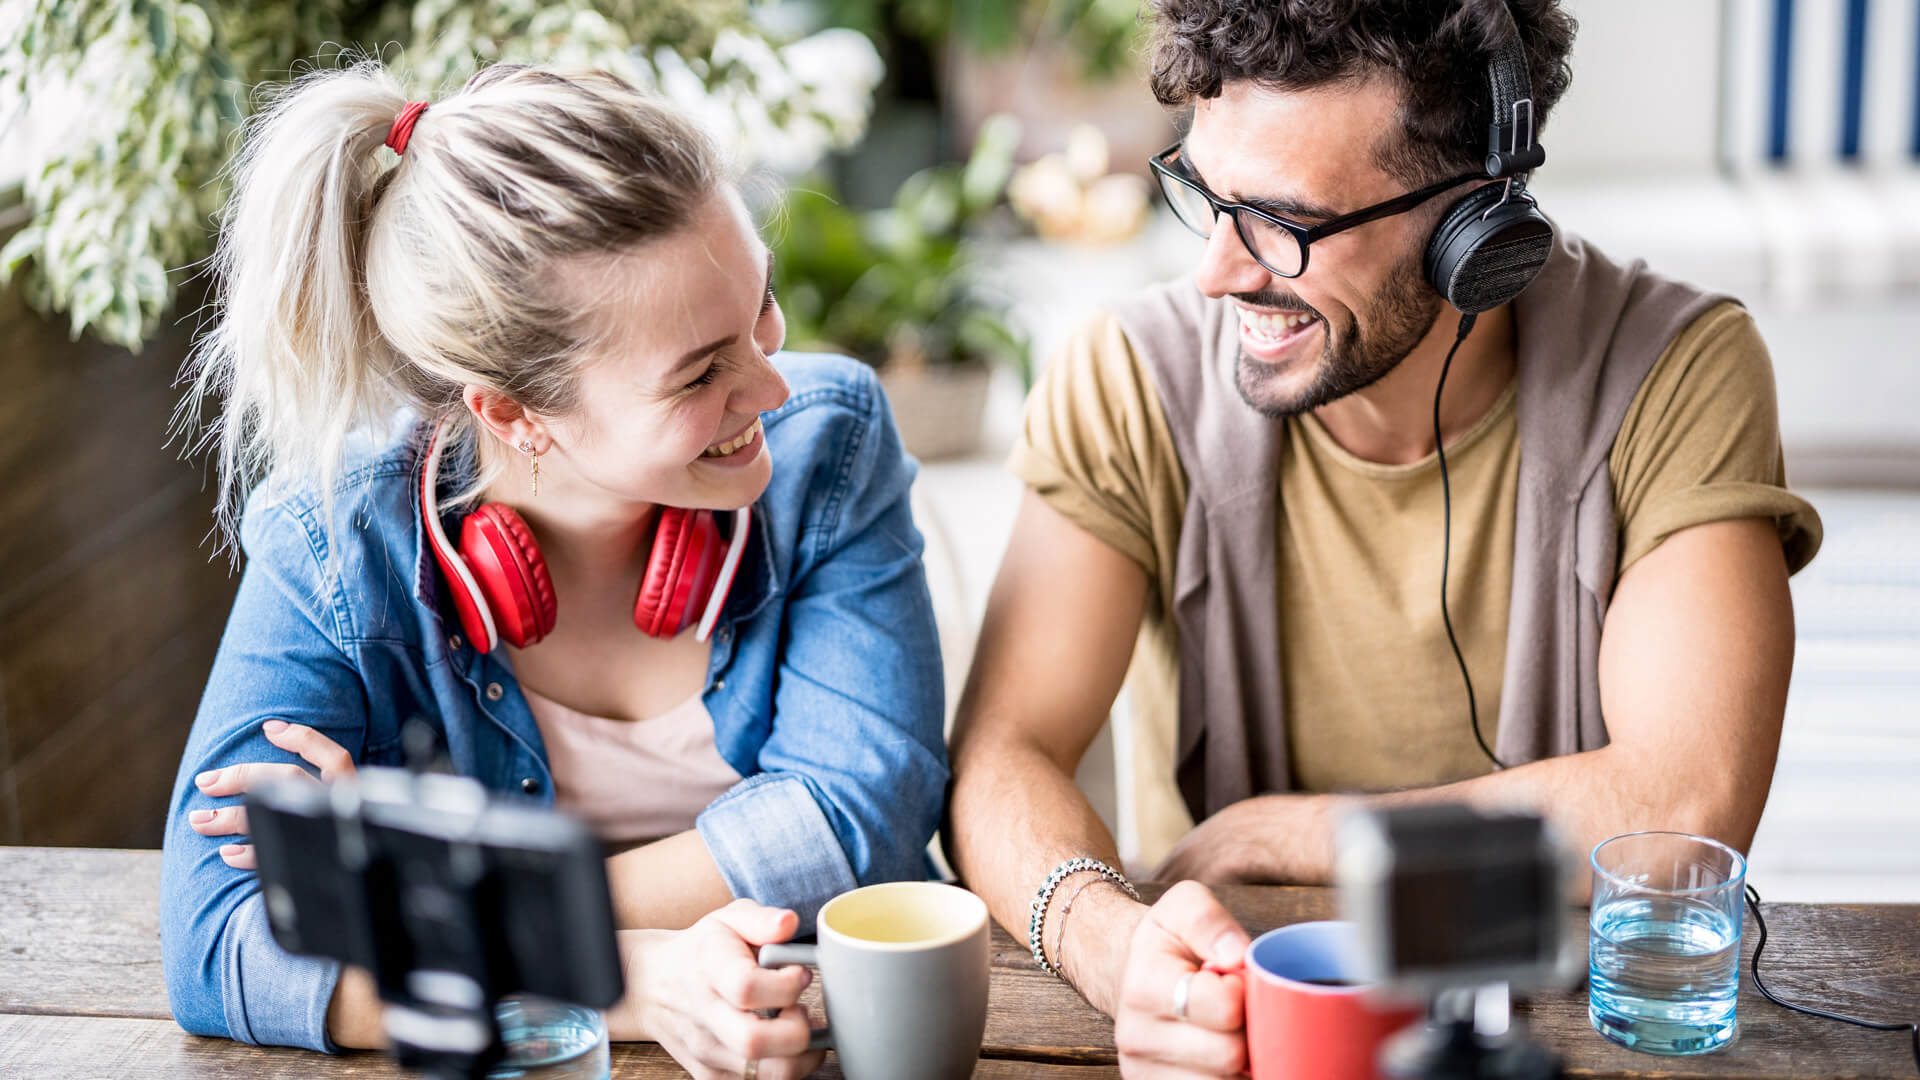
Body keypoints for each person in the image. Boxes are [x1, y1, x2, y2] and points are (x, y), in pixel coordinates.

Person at [944, 1, 1823, 1076]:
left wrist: (1284, 834)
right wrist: (1109, 941)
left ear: (1475, 228)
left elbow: (1684, 811)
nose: (1220, 270)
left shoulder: (1679, 370)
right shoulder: (1130, 376)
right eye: (1206, 197)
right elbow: (1000, 759)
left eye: (1284, 222)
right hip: (1248, 1022)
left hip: (1560, 1039)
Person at [160, 60, 946, 1080]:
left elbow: (858, 825)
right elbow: (218, 950)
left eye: (758, 306)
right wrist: (626, 977)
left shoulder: (827, 447)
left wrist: (435, 903)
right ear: (514, 413)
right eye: (701, 371)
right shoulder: (335, 545)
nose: (772, 382)